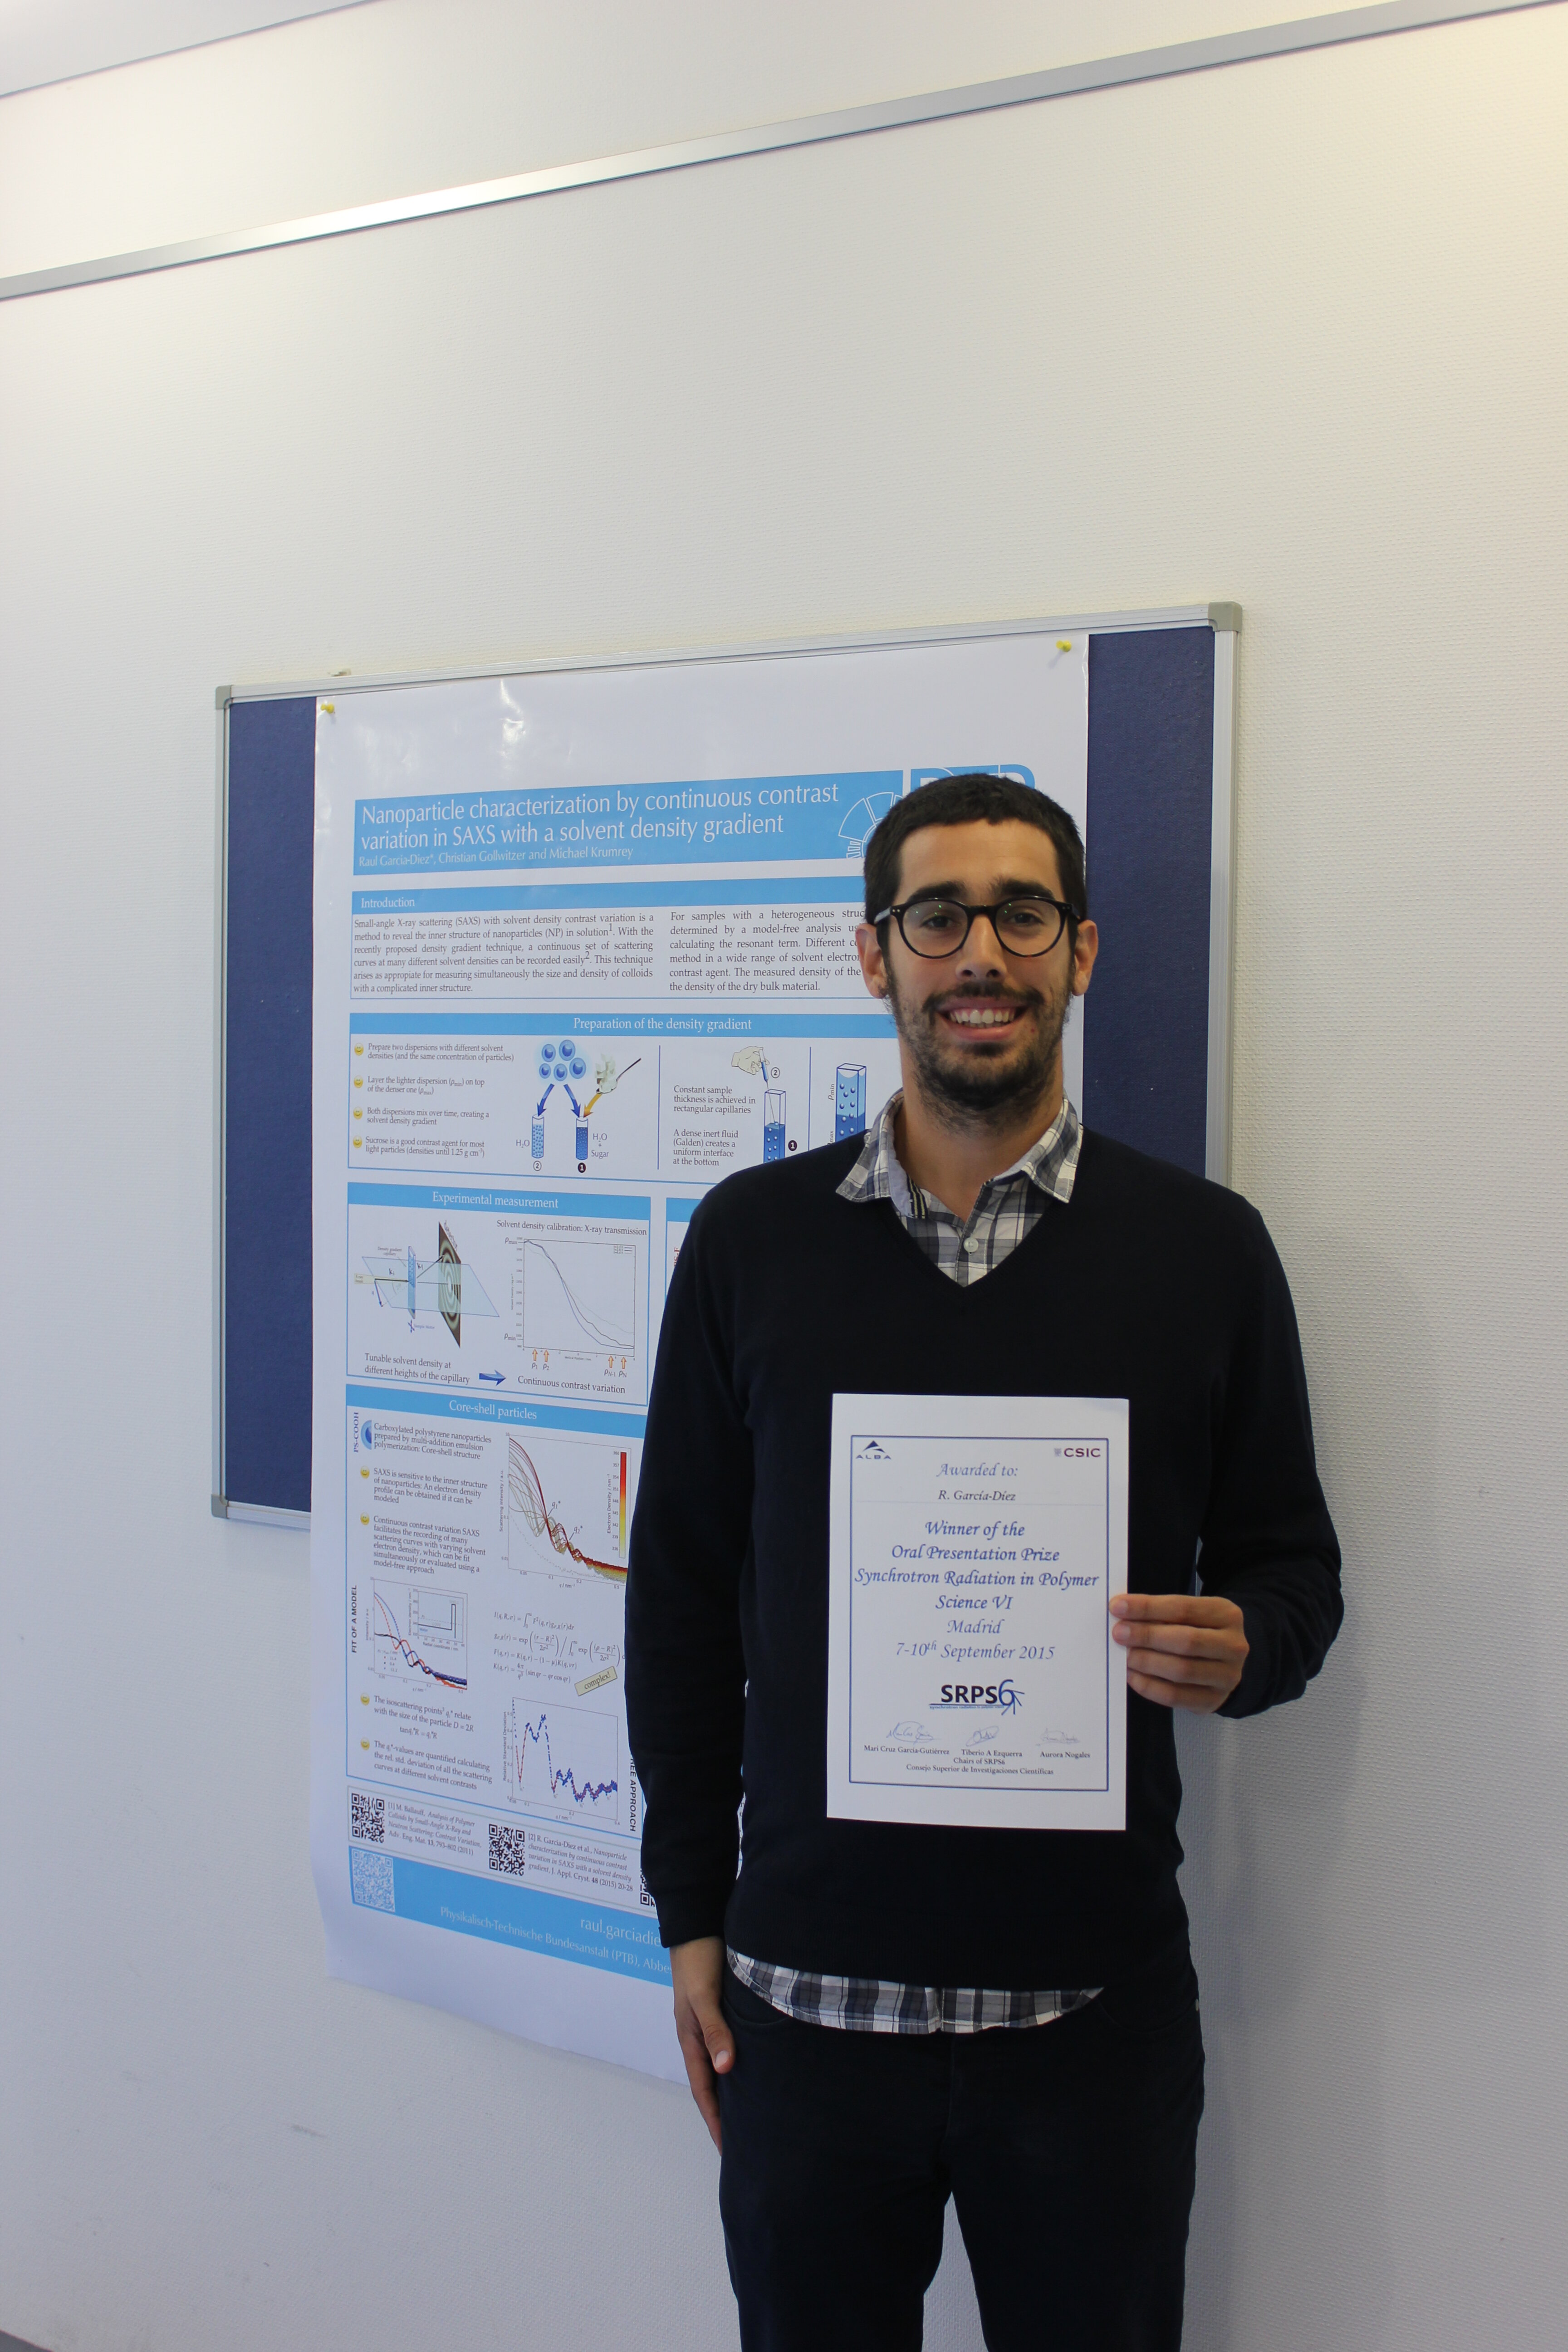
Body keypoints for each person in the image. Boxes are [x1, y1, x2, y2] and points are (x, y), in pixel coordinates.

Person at [625, 773, 1342, 2352]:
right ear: (874, 955)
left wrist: (1246, 1644)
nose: (981, 955)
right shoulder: (750, 1243)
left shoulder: (1207, 1252)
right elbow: (679, 1597)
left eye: (1024, 915)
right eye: (936, 916)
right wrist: (689, 1913)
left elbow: (1296, 1572)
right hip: (806, 2010)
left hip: (1089, 2018)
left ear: (1081, 950)